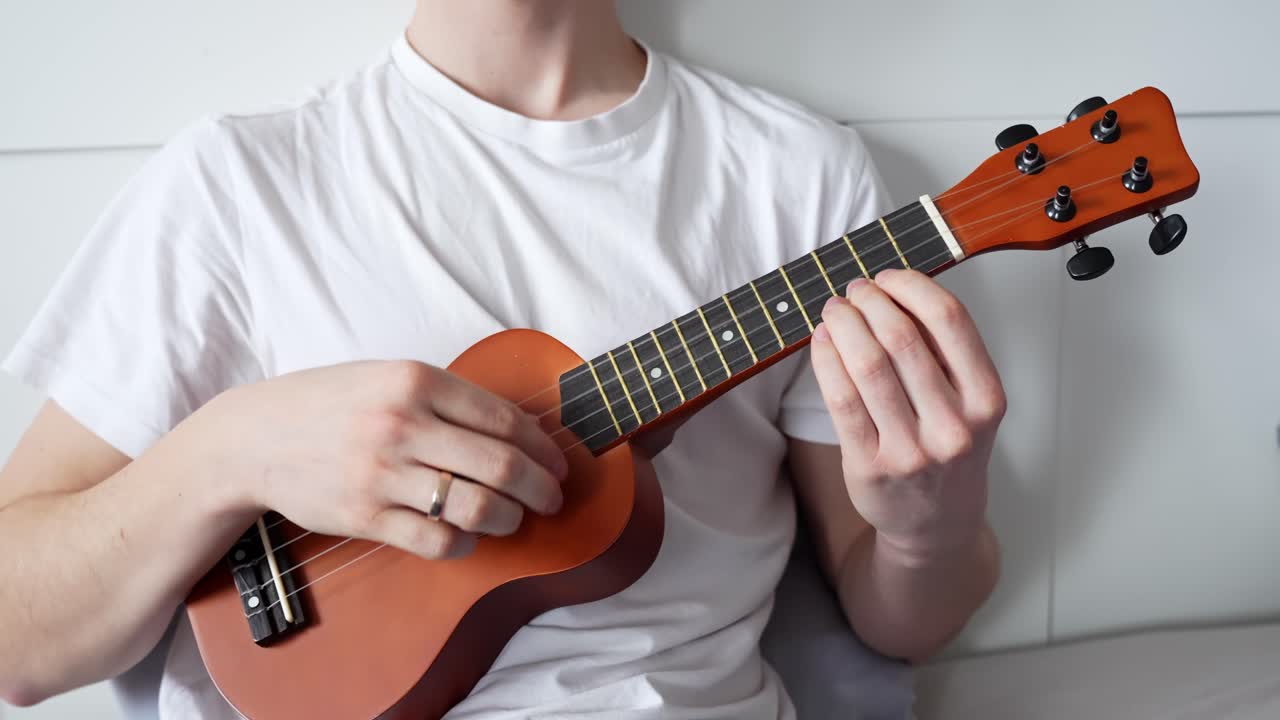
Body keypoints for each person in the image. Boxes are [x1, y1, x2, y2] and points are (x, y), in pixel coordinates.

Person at [0, 1, 1003, 718]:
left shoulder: (799, 178)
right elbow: (17, 641)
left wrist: (929, 529)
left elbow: (899, 627)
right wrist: (228, 452)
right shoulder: (236, 185)